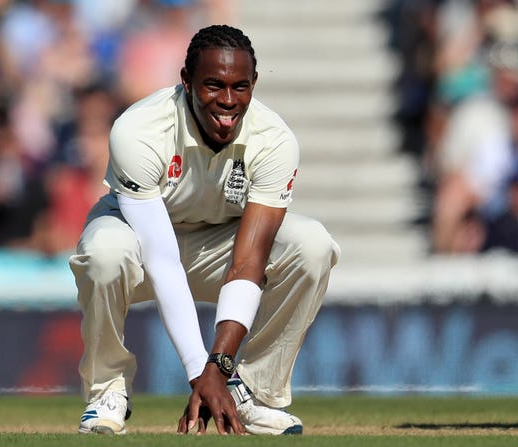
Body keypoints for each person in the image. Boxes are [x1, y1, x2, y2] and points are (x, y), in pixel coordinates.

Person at [69, 24, 340, 436]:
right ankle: (107, 391)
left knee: (312, 245)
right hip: (140, 244)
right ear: (186, 81)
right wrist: (201, 373)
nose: (228, 101)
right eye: (213, 86)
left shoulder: (274, 140)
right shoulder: (140, 130)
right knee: (105, 252)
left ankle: (255, 392)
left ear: (254, 84)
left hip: (221, 247)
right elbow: (162, 261)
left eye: (240, 87)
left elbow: (248, 263)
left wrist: (220, 368)